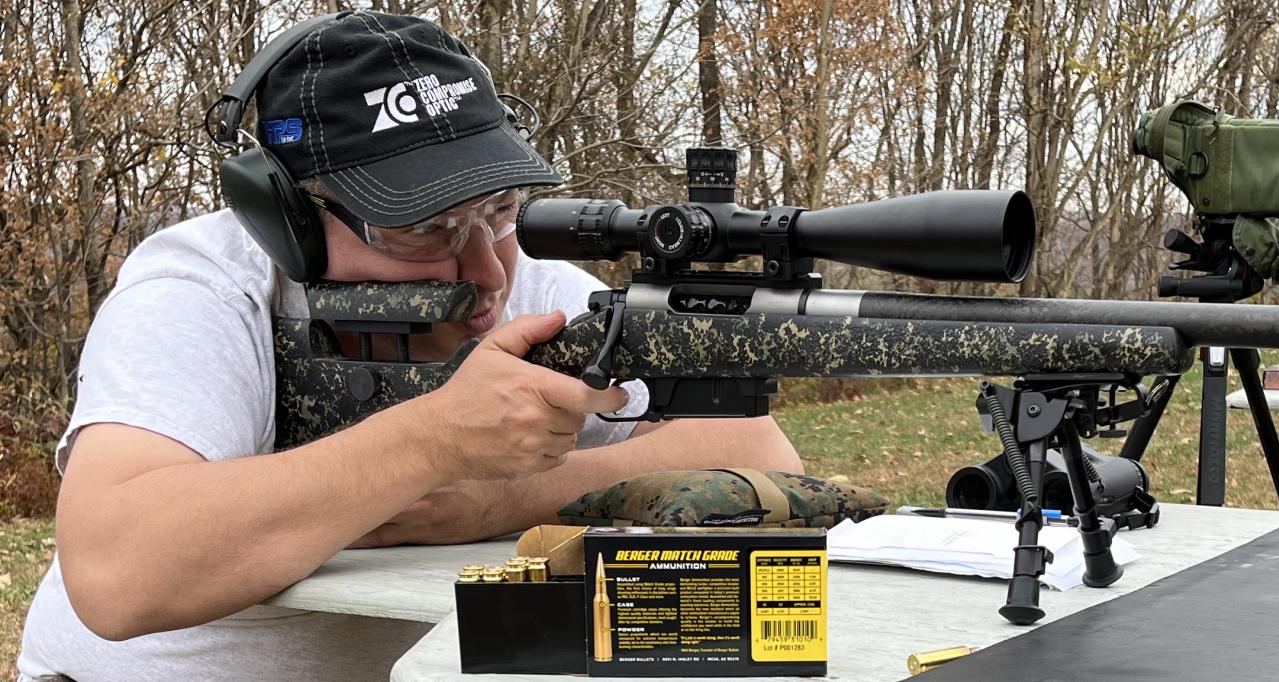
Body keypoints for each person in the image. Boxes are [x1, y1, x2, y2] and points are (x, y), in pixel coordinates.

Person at [16, 11, 801, 680]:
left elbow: (758, 449)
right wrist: (427, 446)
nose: (486, 269)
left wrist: (498, 498)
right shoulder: (201, 288)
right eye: (419, 227)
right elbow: (117, 573)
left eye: (499, 208)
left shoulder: (530, 279)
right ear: (282, 216)